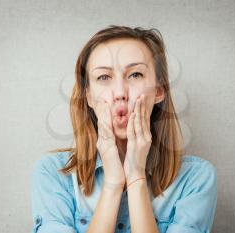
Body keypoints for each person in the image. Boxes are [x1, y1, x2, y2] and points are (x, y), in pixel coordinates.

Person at [30, 25, 217, 233]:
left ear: (158, 91)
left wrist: (136, 176)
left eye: (136, 75)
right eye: (103, 77)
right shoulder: (53, 174)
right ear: (89, 96)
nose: (120, 92)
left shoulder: (196, 179)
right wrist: (113, 182)